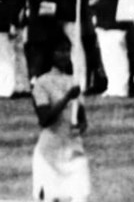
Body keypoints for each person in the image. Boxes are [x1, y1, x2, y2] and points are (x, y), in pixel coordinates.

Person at [32, 35, 91, 202]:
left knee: (81, 196)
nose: (64, 55)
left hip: (73, 150)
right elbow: (45, 120)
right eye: (60, 51)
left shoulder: (73, 81)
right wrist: (66, 98)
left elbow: (81, 118)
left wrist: (81, 125)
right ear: (50, 54)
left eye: (67, 51)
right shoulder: (42, 83)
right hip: (49, 152)